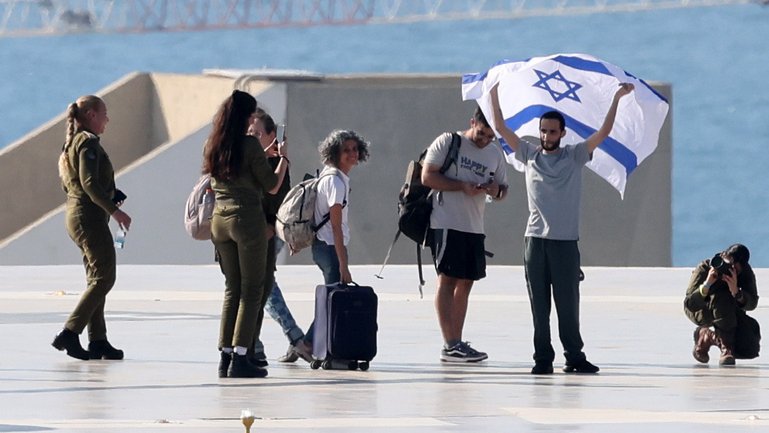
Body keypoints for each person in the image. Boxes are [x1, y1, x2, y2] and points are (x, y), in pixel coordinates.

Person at [490, 82, 635, 374]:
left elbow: (603, 133)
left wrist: (617, 98)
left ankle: (574, 356)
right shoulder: (529, 154)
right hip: (535, 241)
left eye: (552, 132)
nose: (547, 136)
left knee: (568, 304)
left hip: (565, 243)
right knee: (539, 305)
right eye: (543, 131)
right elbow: (501, 127)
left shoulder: (574, 155)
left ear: (562, 133)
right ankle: (542, 358)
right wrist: (493, 91)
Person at [203, 90, 288, 378]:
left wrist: (262, 157)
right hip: (246, 220)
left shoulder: (213, 144)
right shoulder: (249, 144)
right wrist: (283, 159)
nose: (253, 119)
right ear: (245, 116)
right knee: (253, 290)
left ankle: (225, 356)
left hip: (220, 220)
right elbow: (272, 185)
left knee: (232, 289)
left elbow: (235, 171)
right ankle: (241, 356)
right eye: (251, 115)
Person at [421, 107, 508, 363]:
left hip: (474, 225)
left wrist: (494, 190)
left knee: (466, 282)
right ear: (472, 123)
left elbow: (503, 190)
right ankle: (450, 344)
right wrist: (461, 186)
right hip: (447, 222)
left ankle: (457, 342)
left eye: (491, 136)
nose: (485, 140)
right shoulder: (449, 141)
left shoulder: (494, 153)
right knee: (447, 279)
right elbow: (427, 176)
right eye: (481, 134)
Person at [53, 95, 132, 361]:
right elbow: (88, 183)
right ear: (91, 115)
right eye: (104, 114)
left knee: (96, 279)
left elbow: (73, 184)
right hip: (89, 218)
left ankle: (98, 340)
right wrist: (115, 211)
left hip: (80, 216)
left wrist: (110, 194)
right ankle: (70, 332)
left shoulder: (73, 142)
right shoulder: (87, 142)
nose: (107, 119)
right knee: (104, 278)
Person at [293, 129, 370, 361]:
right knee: (331, 300)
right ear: (335, 153)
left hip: (323, 246)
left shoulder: (329, 176)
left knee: (330, 298)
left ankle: (308, 344)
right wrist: (344, 264)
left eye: (355, 149)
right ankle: (307, 344)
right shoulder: (336, 182)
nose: (352, 154)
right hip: (329, 247)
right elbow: (336, 226)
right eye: (346, 150)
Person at [247, 109, 306, 365]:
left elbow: (280, 196)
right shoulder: (249, 160)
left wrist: (271, 225)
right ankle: (262, 341)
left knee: (262, 287)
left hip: (266, 233)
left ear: (273, 136)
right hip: (248, 233)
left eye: (257, 134)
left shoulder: (275, 163)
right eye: (249, 133)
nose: (251, 138)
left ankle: (288, 338)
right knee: (258, 287)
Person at [685, 244, 760, 366]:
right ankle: (726, 348)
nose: (729, 269)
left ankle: (707, 336)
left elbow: (752, 304)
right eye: (728, 264)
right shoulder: (705, 267)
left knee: (750, 349)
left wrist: (737, 292)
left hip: (730, 315)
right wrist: (707, 285)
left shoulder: (745, 272)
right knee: (723, 297)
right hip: (702, 311)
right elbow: (690, 304)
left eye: (734, 268)